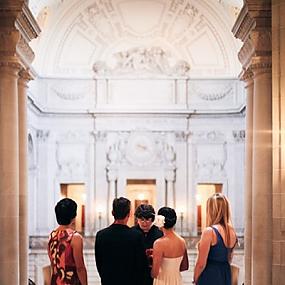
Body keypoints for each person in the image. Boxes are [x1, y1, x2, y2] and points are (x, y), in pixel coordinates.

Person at [95, 197, 147, 285]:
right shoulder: (136, 236)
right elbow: (141, 266)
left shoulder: (101, 235)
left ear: (112, 213)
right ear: (129, 214)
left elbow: (99, 264)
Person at [193, 193, 238, 285]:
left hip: (210, 275)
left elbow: (201, 264)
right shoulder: (232, 231)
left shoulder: (209, 231)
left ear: (211, 210)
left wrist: (195, 279)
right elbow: (229, 258)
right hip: (225, 274)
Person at [48, 198, 88, 285]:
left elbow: (53, 265)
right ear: (73, 216)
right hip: (71, 282)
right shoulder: (75, 237)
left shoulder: (52, 235)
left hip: (55, 281)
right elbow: (80, 268)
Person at [151, 207, 189, 285]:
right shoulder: (182, 241)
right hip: (177, 280)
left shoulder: (159, 243)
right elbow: (185, 266)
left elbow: (154, 273)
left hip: (162, 281)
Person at [132, 204, 163, 285]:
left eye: (147, 219)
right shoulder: (131, 233)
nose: (144, 223)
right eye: (141, 219)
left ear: (152, 219)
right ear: (137, 219)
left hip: (155, 275)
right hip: (135, 274)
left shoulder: (159, 234)